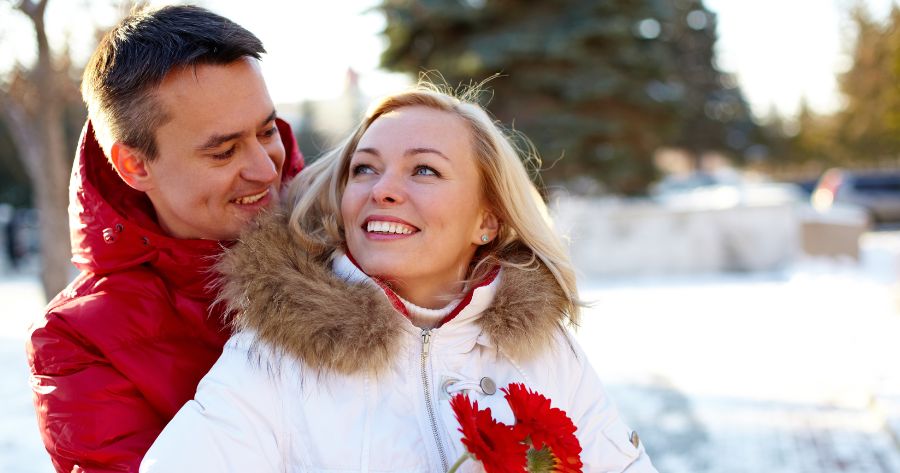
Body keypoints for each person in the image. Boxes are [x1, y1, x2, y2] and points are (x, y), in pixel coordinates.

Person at [140, 84, 656, 472]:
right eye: (364, 169)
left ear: (488, 220)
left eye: (424, 170)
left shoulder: (547, 350)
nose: (382, 190)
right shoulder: (272, 361)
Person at [26, 6, 303, 472]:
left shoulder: (356, 236)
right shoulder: (78, 344)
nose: (264, 169)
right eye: (224, 151)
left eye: (268, 130)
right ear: (135, 165)